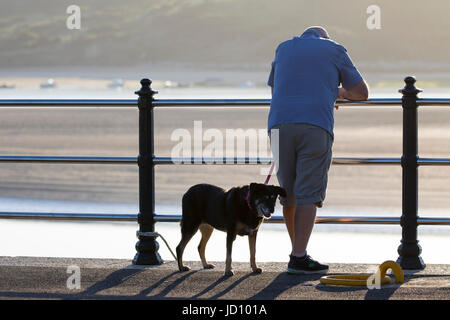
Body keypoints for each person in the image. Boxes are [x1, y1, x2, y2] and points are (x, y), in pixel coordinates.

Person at [267, 26, 369, 274]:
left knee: (288, 192)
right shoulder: (333, 49)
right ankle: (299, 256)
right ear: (325, 38)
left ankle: (296, 252)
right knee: (308, 193)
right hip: (314, 125)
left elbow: (275, 89)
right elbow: (361, 92)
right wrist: (336, 93)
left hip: (278, 125)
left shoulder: (283, 48)